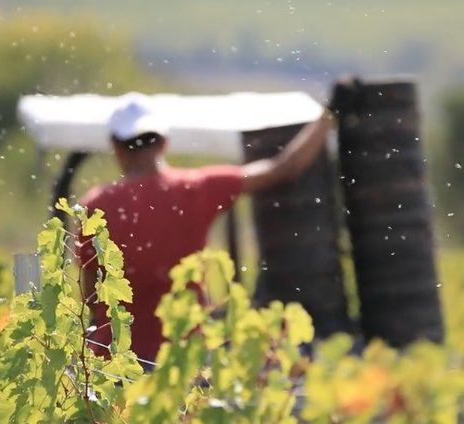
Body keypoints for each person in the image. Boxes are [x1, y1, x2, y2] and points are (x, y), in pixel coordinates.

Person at [77, 92, 333, 363]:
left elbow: (91, 298)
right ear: (163, 143)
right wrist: (328, 117)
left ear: (114, 146)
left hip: (115, 364)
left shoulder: (95, 206)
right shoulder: (196, 188)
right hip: (182, 361)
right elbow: (284, 168)